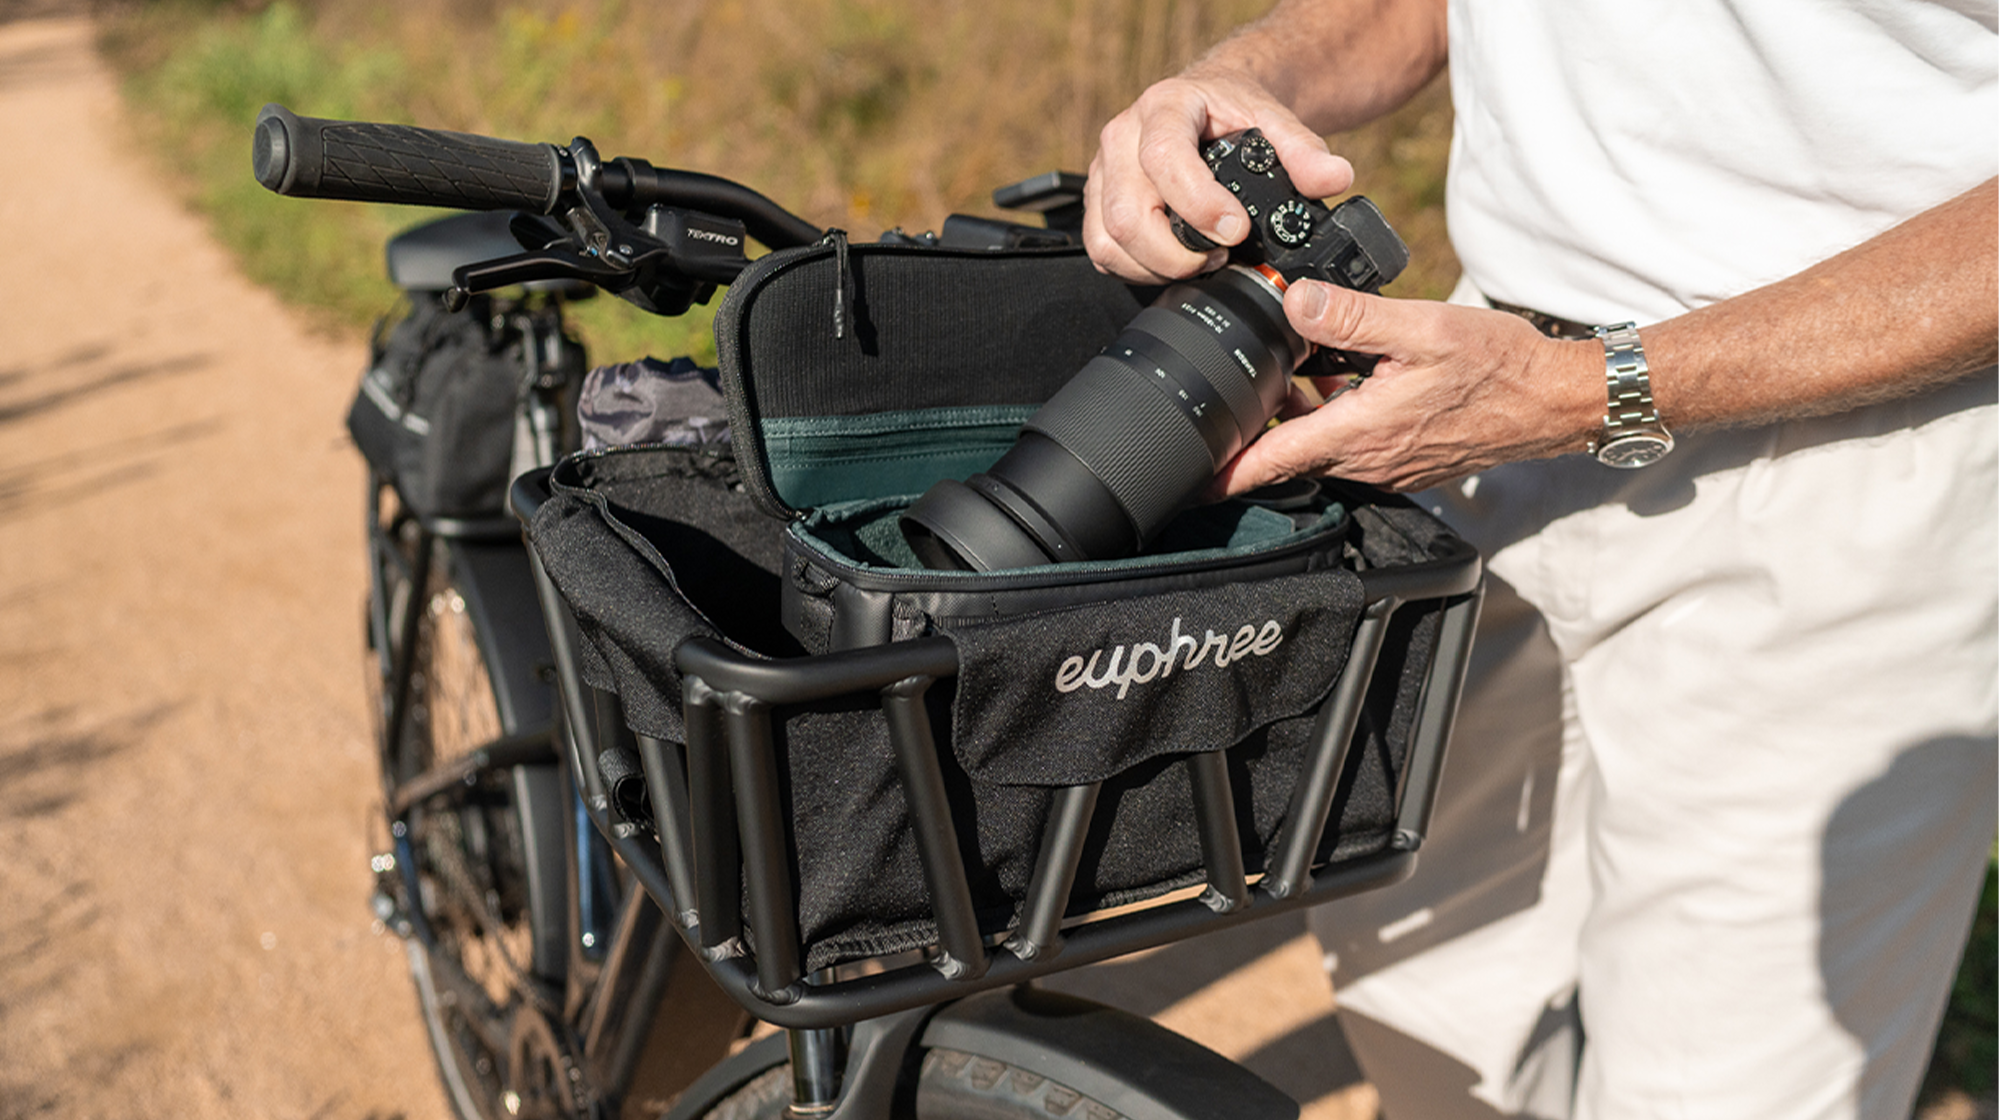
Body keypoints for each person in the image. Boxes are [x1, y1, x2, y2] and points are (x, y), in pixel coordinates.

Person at [1084, 1, 1997, 1117]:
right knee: (1428, 1010)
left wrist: (1579, 391)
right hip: (1472, 405)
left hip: (1851, 450)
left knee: (1722, 1081)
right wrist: (1235, 88)